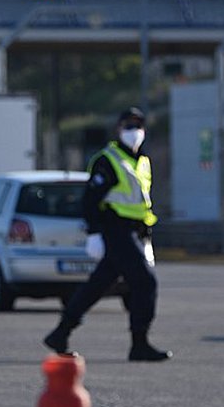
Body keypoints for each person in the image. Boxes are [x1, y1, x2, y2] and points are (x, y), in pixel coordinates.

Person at [44, 106, 172, 362]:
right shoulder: (108, 160)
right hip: (116, 230)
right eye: (128, 126)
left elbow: (140, 202)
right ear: (118, 129)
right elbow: (90, 201)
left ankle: (60, 332)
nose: (134, 132)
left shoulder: (143, 161)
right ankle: (139, 343)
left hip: (135, 232)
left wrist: (145, 235)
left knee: (98, 285)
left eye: (138, 126)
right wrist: (94, 234)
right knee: (145, 282)